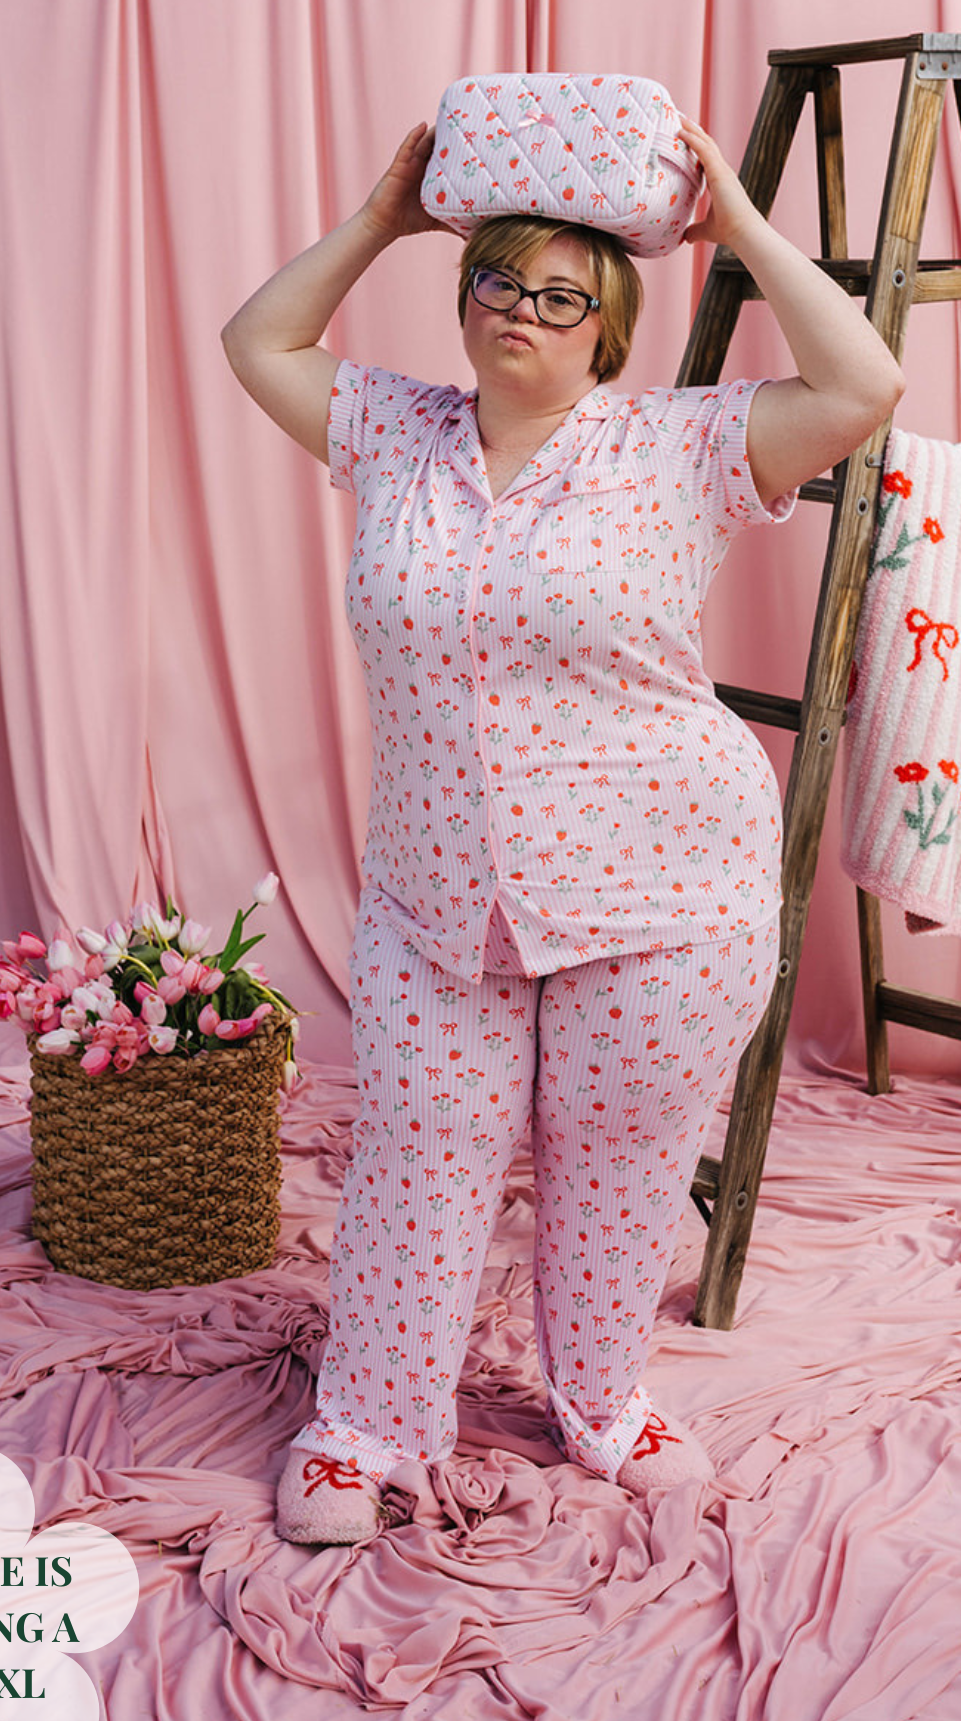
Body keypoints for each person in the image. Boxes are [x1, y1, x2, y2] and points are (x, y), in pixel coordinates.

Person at [221, 114, 904, 1546]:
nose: (518, 314)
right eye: (496, 284)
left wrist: (741, 226)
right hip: (437, 889)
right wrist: (383, 218)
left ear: (609, 330)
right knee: (421, 1143)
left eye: (557, 297)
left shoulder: (689, 445)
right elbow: (258, 342)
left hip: (663, 884)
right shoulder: (394, 433)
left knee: (622, 1152)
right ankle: (369, 1425)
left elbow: (865, 381)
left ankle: (604, 1398)